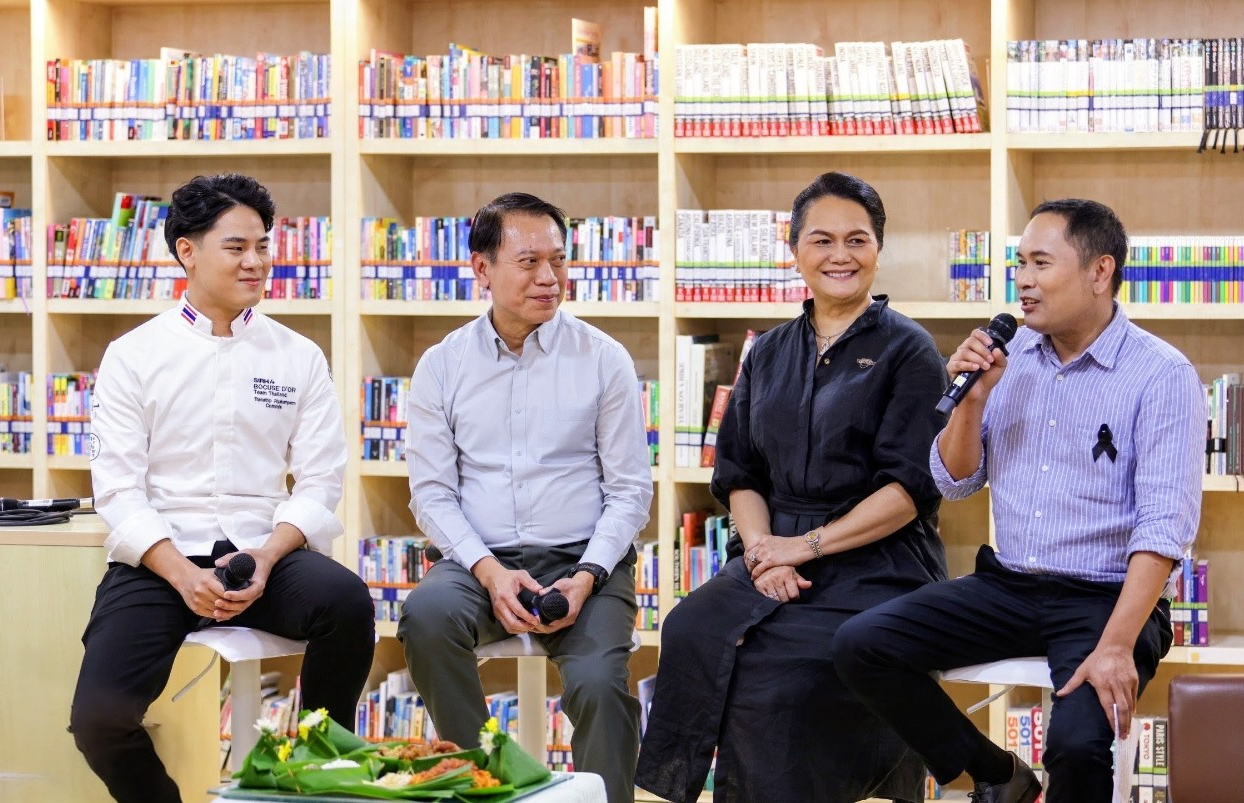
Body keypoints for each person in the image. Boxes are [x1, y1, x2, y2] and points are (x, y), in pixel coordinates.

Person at [833, 198, 1204, 803]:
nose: (1023, 281)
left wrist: (1116, 646)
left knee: (1078, 746)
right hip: (1007, 586)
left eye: (1040, 263)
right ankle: (998, 774)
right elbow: (955, 481)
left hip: (1105, 599)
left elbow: (1164, 526)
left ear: (1099, 271)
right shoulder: (1009, 358)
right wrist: (973, 400)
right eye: (1019, 264)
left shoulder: (1161, 375)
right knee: (861, 645)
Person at [635, 172, 950, 803]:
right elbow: (740, 473)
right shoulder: (768, 351)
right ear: (795, 249)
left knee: (781, 673)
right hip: (772, 545)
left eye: (857, 240)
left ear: (878, 248)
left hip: (878, 557)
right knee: (691, 627)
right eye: (822, 240)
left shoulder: (910, 350)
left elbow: (909, 490)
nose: (840, 255)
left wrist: (804, 547)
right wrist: (762, 552)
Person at [71, 173, 376, 803]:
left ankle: (315, 775)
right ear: (187, 251)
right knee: (98, 720)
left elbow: (321, 477)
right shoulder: (132, 355)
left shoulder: (298, 356)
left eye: (262, 246)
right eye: (236, 247)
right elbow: (118, 490)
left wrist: (266, 556)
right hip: (160, 560)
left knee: (347, 602)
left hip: (262, 553)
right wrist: (183, 575)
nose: (255, 262)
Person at [399, 192, 654, 803]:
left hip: (583, 561)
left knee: (598, 684)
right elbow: (431, 494)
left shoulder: (604, 358)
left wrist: (587, 576)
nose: (550, 277)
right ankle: (488, 782)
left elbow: (629, 491)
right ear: (482, 269)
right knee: (426, 618)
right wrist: (489, 573)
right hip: (479, 561)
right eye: (529, 261)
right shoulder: (442, 365)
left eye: (558, 260)